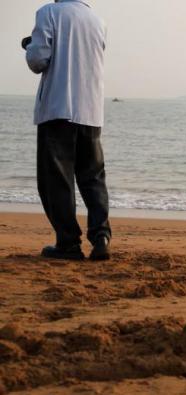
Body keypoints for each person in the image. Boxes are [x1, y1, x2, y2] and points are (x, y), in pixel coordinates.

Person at [24, 0, 111, 260]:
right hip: (91, 110)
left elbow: (38, 59)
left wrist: (29, 46)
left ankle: (68, 243)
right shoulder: (98, 21)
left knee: (56, 182)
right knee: (93, 178)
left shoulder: (48, 13)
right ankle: (101, 237)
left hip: (58, 109)